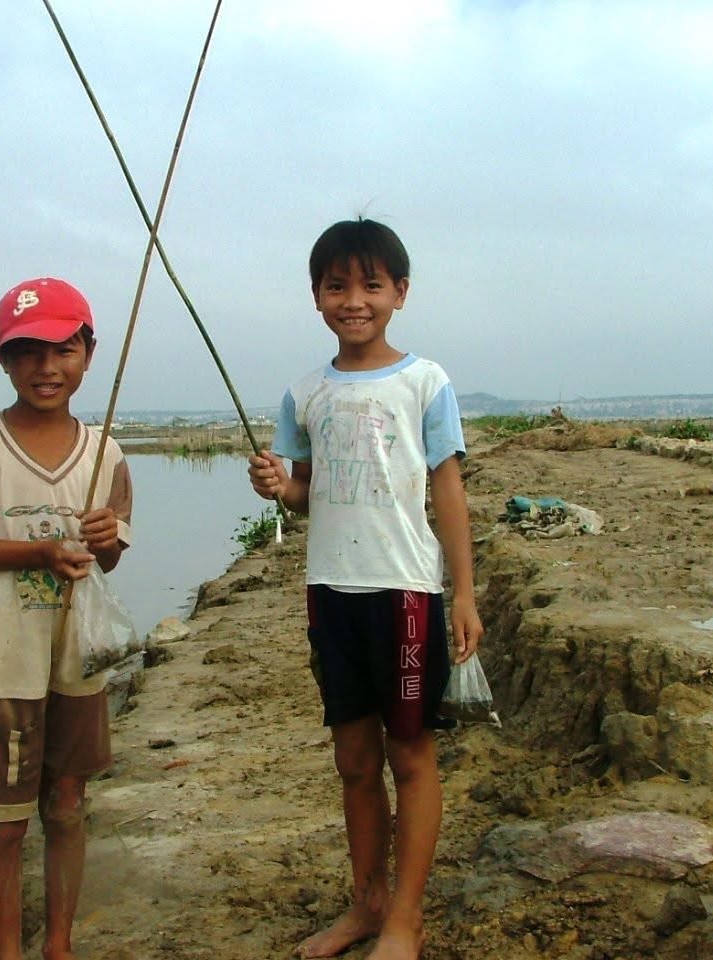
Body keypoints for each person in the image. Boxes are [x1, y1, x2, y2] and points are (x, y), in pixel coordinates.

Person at [248, 219, 484, 960]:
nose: (354, 300)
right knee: (354, 760)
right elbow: (304, 491)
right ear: (316, 296)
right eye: (337, 285)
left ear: (400, 294)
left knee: (410, 754)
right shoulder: (305, 392)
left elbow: (447, 491)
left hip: (406, 591)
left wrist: (466, 593)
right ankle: (366, 905)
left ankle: (405, 920)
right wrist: (279, 486)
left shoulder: (425, 382)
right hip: (331, 593)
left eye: (371, 285)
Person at [0, 277, 132, 960]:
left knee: (69, 803)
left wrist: (102, 540)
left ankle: (61, 945)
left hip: (76, 659)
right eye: (27, 353)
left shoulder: (107, 453)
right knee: (3, 824)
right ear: (3, 361)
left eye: (63, 350)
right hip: (2, 661)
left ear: (89, 352)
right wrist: (39, 551)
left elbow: (110, 562)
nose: (47, 368)